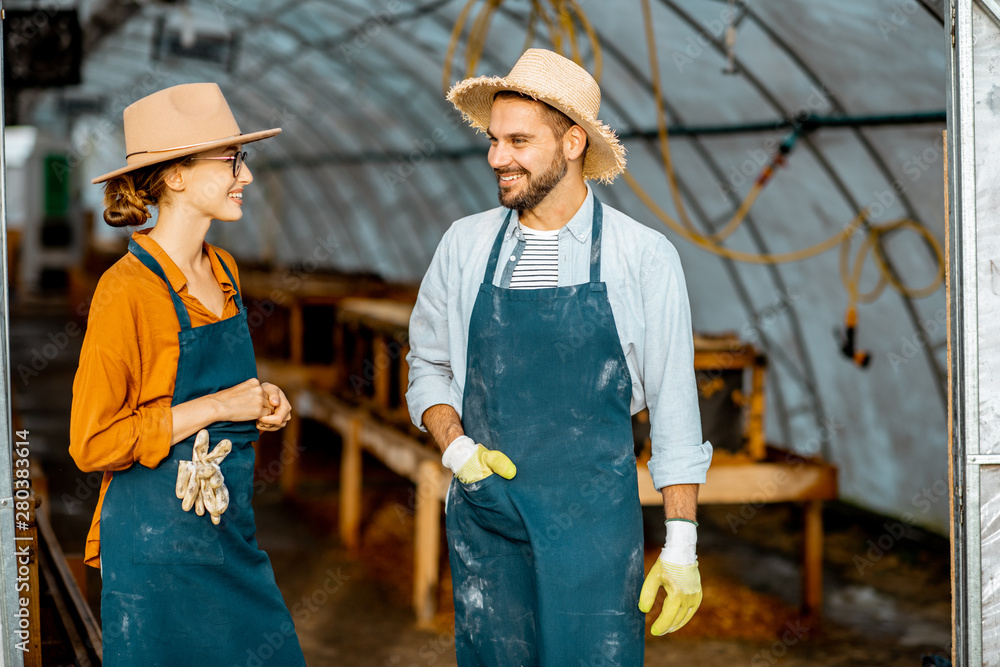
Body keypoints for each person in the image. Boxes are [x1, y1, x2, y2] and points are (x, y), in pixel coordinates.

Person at [406, 49, 713, 666]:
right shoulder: (464, 246)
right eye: (494, 141)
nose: (498, 158)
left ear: (573, 143)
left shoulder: (643, 258)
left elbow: (675, 410)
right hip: (486, 512)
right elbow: (427, 365)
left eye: (519, 141)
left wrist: (681, 542)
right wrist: (457, 449)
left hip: (593, 529)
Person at [69, 83, 306, 666]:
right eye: (230, 162)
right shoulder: (124, 292)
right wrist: (220, 407)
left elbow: (221, 392)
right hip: (153, 549)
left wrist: (260, 400)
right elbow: (91, 442)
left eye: (240, 161)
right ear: (175, 176)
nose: (244, 177)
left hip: (226, 533)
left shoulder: (223, 270)